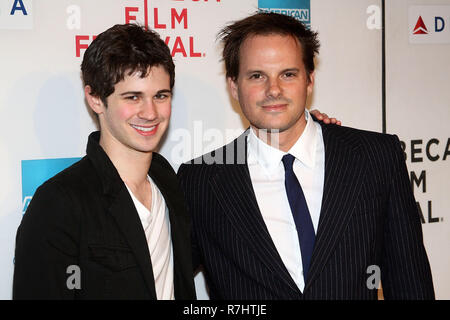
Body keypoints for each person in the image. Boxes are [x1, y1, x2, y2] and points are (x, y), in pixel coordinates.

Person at [177, 12, 435, 300]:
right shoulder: (199, 180)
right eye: (257, 76)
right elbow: (165, 281)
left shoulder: (376, 158)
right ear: (234, 86)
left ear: (309, 80)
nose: (273, 90)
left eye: (288, 74)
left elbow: (410, 283)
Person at [13, 24, 196, 299]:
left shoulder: (167, 179)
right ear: (95, 98)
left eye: (160, 96)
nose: (150, 112)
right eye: (133, 97)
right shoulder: (59, 202)